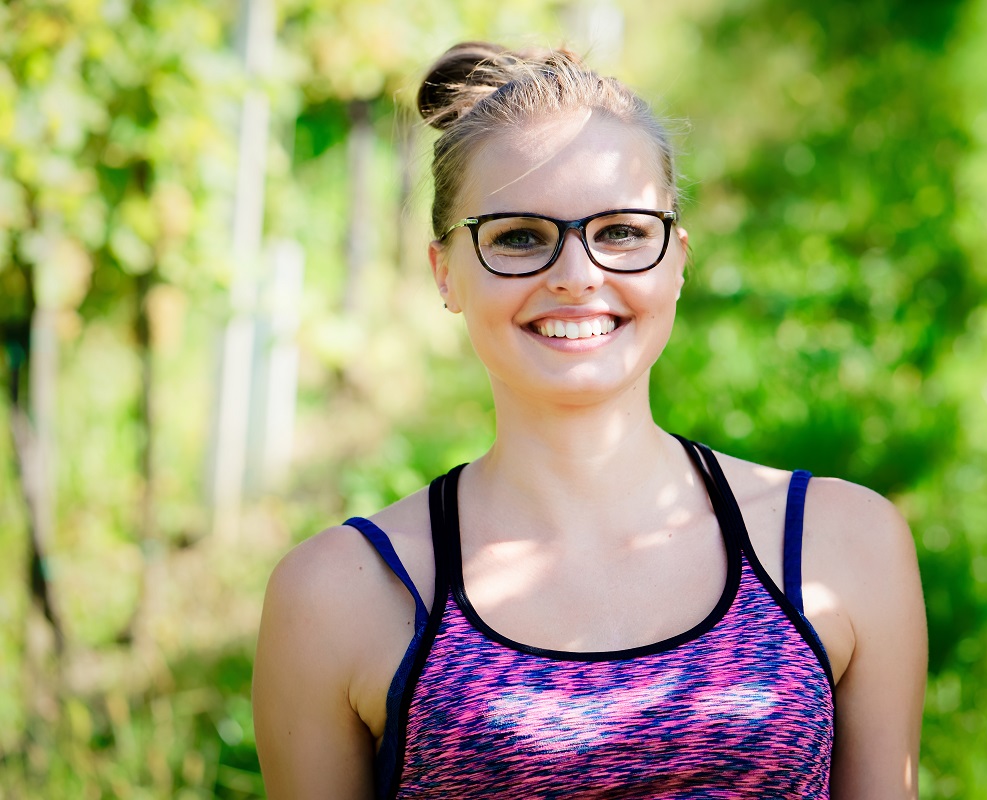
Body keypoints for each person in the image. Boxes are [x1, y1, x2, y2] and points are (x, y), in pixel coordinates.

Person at [252, 41, 927, 799]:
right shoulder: (339, 594)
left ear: (677, 257)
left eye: (622, 232)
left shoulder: (843, 546)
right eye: (517, 237)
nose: (576, 276)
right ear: (445, 273)